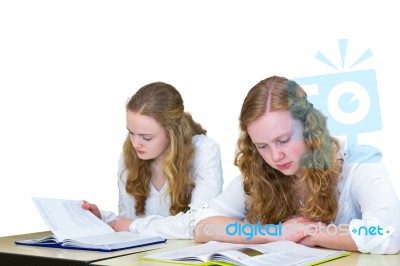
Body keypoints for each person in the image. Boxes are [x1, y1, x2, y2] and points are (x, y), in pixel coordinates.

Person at [193, 75, 400, 254]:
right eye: (262, 146)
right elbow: (203, 227)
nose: (275, 156)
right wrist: (274, 233)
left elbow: (388, 234)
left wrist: (315, 233)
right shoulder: (259, 171)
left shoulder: (358, 162)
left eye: (283, 140)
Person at [83, 81, 223, 239]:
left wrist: (133, 226)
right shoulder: (130, 154)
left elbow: (201, 223)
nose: (135, 144)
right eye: (131, 133)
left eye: (147, 137)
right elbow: (129, 223)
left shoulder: (204, 150)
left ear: (172, 133)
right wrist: (102, 219)